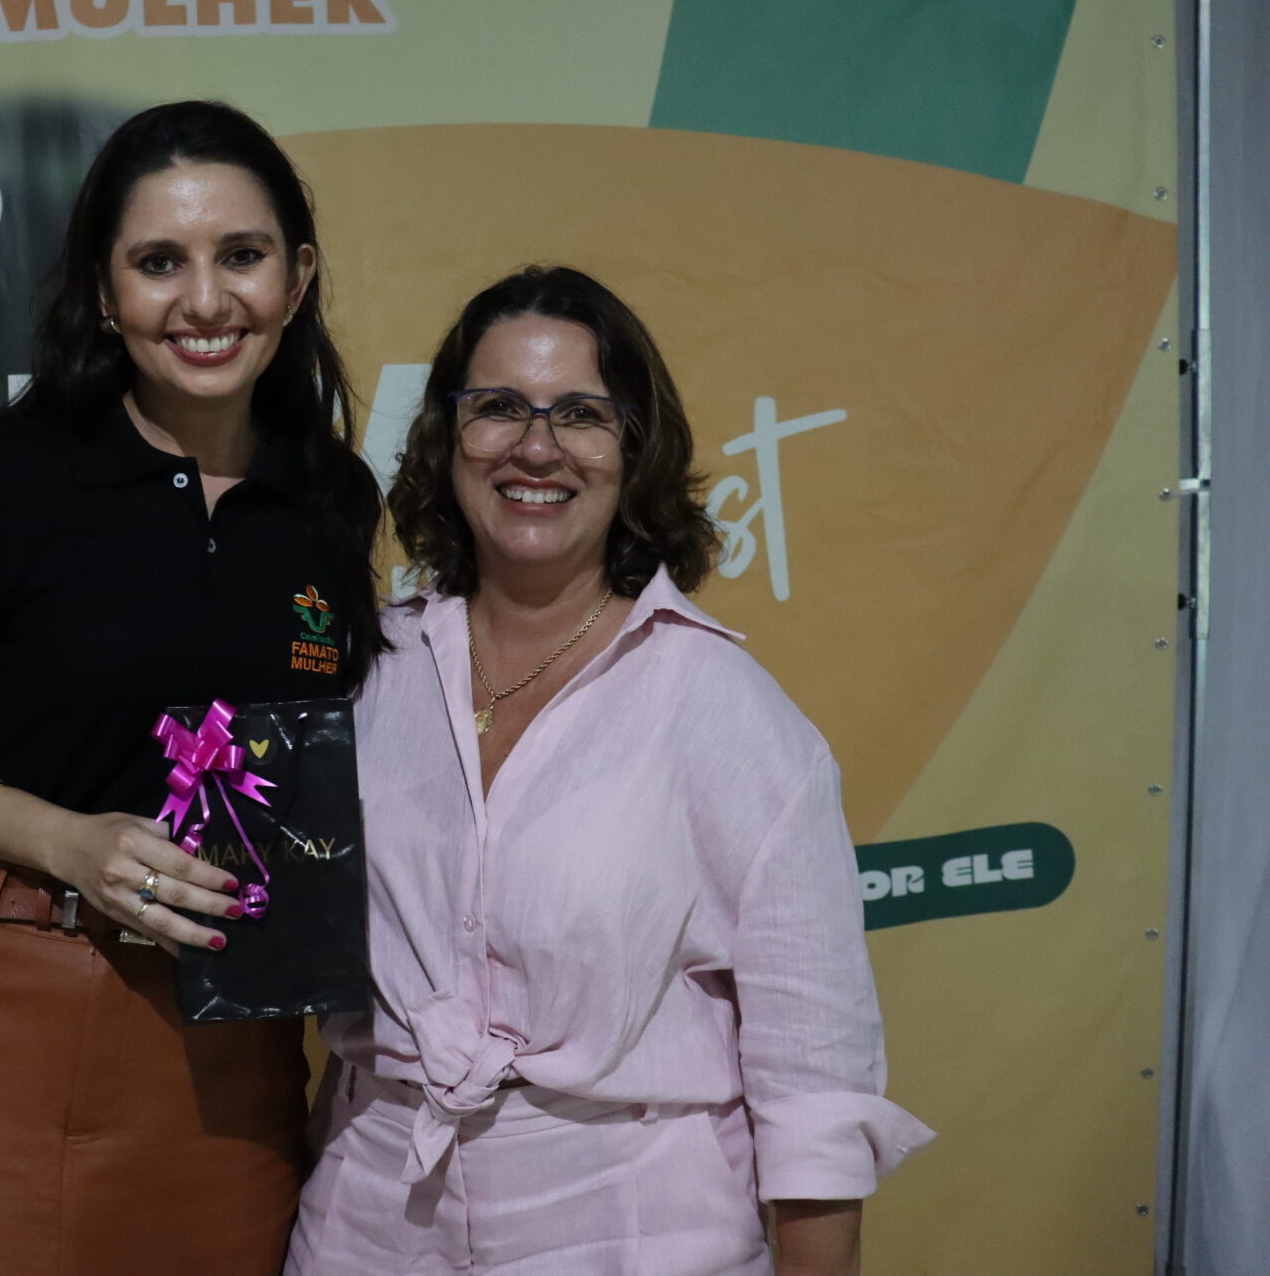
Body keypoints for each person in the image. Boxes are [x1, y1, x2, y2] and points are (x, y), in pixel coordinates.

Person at [286, 267, 933, 1276]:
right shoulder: (365, 672)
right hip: (368, 1220)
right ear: (445, 437)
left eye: (580, 414)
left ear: (635, 449)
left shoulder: (725, 709)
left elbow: (812, 1084)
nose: (536, 446)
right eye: (498, 406)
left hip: (634, 1224)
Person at [0, 100, 384, 1276]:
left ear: (295, 278)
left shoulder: (331, 500)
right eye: (158, 263)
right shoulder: (7, 478)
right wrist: (70, 842)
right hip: (1, 1005)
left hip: (233, 1041)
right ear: (103, 292)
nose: (205, 301)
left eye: (240, 256)